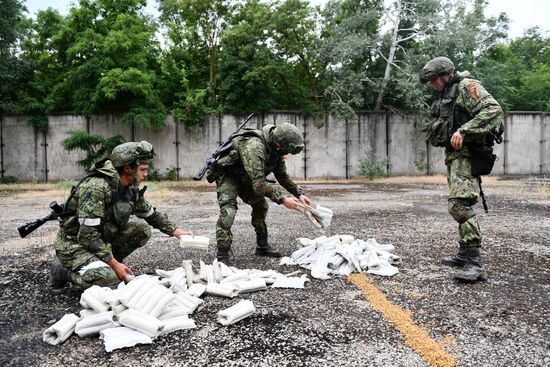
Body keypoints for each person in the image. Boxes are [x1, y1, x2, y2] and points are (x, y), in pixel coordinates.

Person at [48, 141, 193, 294]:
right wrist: (115, 265)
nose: (146, 174)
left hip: (100, 240)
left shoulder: (128, 188)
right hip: (75, 244)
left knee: (142, 231)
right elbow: (87, 236)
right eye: (142, 169)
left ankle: (104, 265)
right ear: (127, 168)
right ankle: (64, 271)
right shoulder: (96, 187)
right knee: (112, 281)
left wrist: (176, 231)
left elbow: (151, 215)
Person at [419, 57, 503, 282]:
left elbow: (493, 109)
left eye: (434, 78)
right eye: (430, 80)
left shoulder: (467, 86)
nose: (432, 83)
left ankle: (474, 263)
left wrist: (464, 131)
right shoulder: (447, 93)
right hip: (455, 157)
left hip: (468, 155)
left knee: (459, 205)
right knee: (458, 203)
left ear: (446, 74)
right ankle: (464, 254)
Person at [210, 122, 313, 261]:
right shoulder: (254, 146)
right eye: (286, 150)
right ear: (278, 143)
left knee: (261, 206)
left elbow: (282, 177)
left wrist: (299, 193)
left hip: (249, 179)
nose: (286, 153)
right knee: (228, 212)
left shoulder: (276, 150)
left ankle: (262, 246)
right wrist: (283, 200)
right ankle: (222, 255)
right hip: (230, 177)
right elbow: (259, 185)